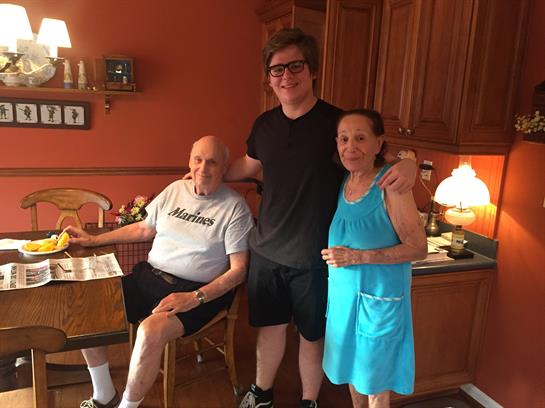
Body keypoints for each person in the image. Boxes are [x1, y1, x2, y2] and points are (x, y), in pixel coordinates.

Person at [224, 28, 417, 408]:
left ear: (313, 72)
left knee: (313, 335)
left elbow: (373, 153)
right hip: (267, 249)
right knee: (270, 328)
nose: (286, 76)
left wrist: (408, 163)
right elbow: (247, 166)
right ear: (269, 79)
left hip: (318, 255)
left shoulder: (336, 123)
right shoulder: (264, 125)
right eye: (277, 69)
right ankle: (261, 393)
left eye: (296, 65)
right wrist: (206, 173)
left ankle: (309, 400)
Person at [66, 135, 255, 408]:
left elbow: (238, 271)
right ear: (189, 162)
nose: (203, 168)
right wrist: (94, 240)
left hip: (196, 291)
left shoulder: (235, 208)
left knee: (149, 331)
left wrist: (194, 297)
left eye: (212, 162)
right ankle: (103, 395)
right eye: (198, 160)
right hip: (150, 277)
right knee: (90, 308)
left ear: (224, 167)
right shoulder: (176, 189)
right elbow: (144, 228)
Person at [321, 109, 427, 408]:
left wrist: (358, 256)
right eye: (344, 139)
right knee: (354, 375)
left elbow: (418, 248)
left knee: (376, 385)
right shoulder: (345, 181)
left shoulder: (390, 186)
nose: (350, 147)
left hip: (379, 303)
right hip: (344, 302)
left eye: (360, 138)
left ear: (379, 143)